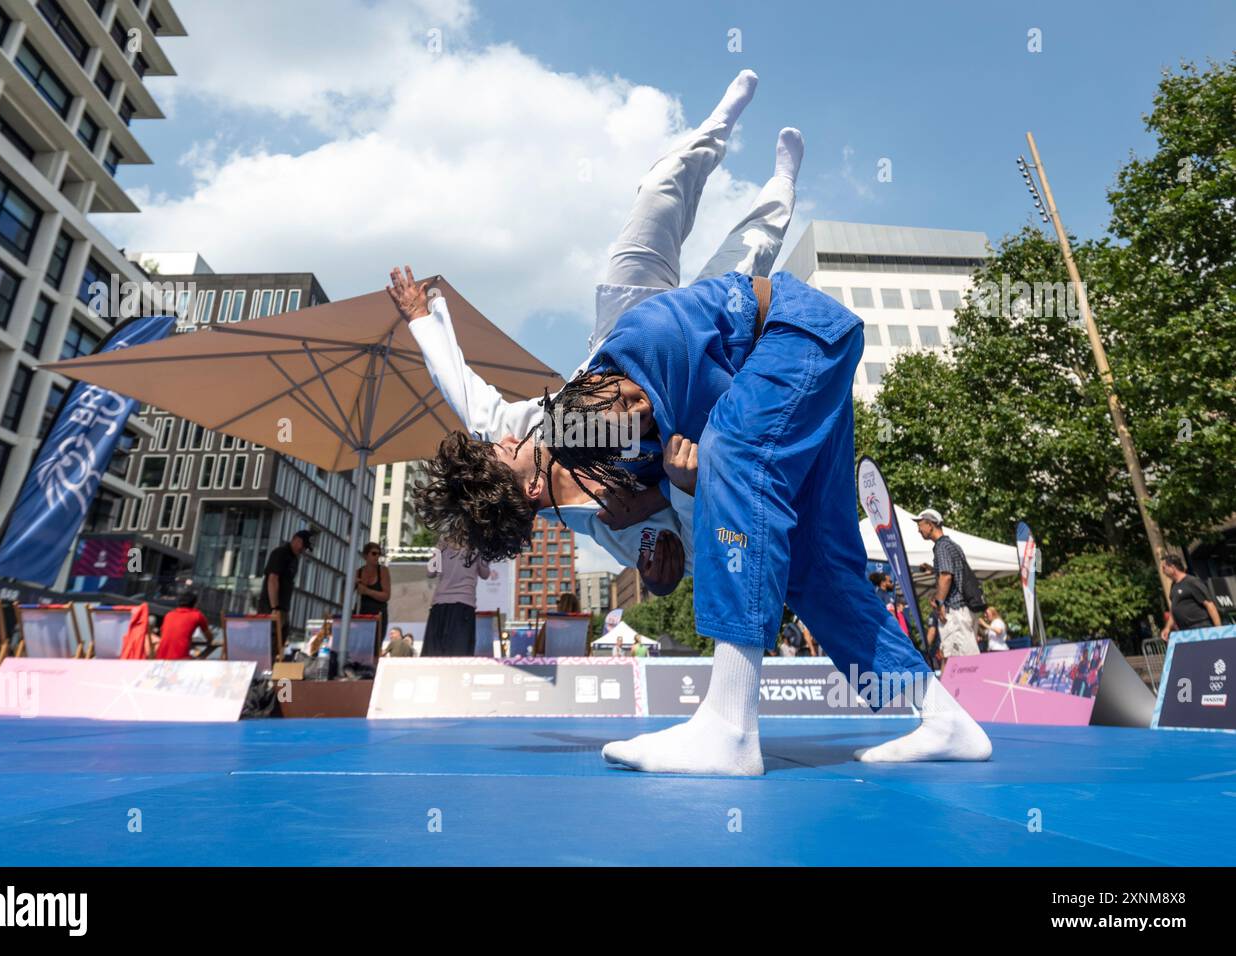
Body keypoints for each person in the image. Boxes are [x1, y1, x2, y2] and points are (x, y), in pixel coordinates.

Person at [417, 259, 993, 772]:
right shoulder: (568, 473)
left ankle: (730, 727)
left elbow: (634, 408)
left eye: (503, 444)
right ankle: (943, 718)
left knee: (732, 453)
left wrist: (426, 316)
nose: (503, 440)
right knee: (816, 571)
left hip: (796, 332)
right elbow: (697, 534)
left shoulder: (562, 425)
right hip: (804, 359)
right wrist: (675, 496)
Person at [394, 69, 801, 596]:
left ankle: (717, 127)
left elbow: (461, 389)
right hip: (690, 378)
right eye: (506, 449)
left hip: (626, 330)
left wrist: (420, 320)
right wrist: (673, 510)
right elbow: (698, 557)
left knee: (658, 192)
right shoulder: (609, 523)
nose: (508, 436)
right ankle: (784, 183)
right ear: (534, 485)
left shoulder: (513, 436)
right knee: (751, 255)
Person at [915, 509, 981, 660]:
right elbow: (953, 572)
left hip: (955, 611)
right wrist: (933, 570)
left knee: (964, 661)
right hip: (963, 609)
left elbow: (946, 576)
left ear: (930, 524)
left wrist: (939, 602)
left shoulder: (941, 546)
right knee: (961, 658)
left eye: (920, 525)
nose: (918, 530)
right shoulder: (952, 545)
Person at [422, 541, 490, 656]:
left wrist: (438, 551)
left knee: (434, 653)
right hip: (463, 604)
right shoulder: (478, 547)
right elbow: (485, 574)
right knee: (459, 654)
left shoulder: (442, 545)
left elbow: (430, 572)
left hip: (440, 604)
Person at [258, 530, 315, 633]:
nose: (303, 550)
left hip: (282, 608)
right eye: (303, 546)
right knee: (271, 641)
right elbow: (273, 579)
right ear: (296, 540)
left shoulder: (294, 559)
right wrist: (275, 608)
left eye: (306, 548)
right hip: (271, 608)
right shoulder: (280, 553)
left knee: (279, 640)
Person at [1159, 554, 1221, 639]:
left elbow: (1209, 605)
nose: (1162, 571)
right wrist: (1167, 628)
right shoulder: (1174, 585)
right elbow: (1174, 611)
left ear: (1173, 568)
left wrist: (1219, 630)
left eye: (1164, 567)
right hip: (1185, 632)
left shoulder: (1192, 582)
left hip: (1201, 628)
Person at [155, 591, 212, 660]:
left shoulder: (169, 614)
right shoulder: (197, 615)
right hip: (181, 658)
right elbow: (209, 637)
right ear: (195, 603)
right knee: (204, 662)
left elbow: (163, 634)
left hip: (160, 657)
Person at [356, 542, 391, 645]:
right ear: (365, 555)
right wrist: (350, 585)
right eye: (374, 553)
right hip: (361, 614)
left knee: (375, 647)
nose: (377, 556)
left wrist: (367, 591)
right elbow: (344, 598)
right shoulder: (358, 572)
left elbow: (386, 596)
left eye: (379, 554)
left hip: (378, 616)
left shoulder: (383, 571)